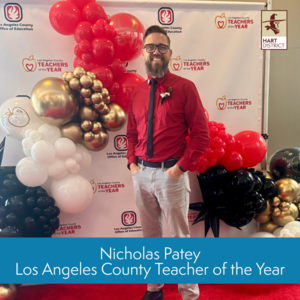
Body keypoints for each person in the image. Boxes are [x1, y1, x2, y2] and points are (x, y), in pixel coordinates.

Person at [126, 25, 210, 300]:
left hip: (171, 174)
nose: (156, 52)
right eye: (151, 47)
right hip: (141, 174)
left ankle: (189, 294)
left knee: (179, 239)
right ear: (143, 53)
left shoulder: (185, 87)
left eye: (162, 47)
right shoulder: (137, 93)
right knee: (150, 236)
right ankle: (154, 289)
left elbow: (201, 135)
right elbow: (131, 132)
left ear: (170, 52)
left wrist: (180, 168)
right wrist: (131, 163)